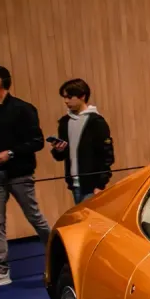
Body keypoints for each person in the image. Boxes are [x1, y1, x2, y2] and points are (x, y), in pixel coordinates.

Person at [0, 63, 50, 289]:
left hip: (19, 173)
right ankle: (0, 270)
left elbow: (37, 141)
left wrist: (11, 153)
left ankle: (57, 256)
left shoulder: (24, 109)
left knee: (35, 217)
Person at [49, 78, 114, 206]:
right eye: (64, 97)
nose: (66, 101)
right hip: (74, 183)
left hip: (92, 185)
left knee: (88, 217)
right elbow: (61, 156)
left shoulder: (96, 122)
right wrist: (58, 150)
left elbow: (106, 156)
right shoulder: (65, 122)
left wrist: (101, 184)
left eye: (69, 97)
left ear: (82, 96)